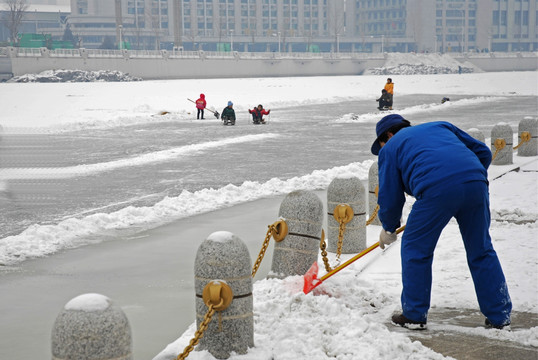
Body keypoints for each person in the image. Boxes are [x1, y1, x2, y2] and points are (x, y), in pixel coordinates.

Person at [371, 114, 512, 331]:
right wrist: (468, 177)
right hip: (475, 183)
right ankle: (499, 315)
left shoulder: (390, 148)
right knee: (481, 250)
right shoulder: (440, 125)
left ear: (388, 135)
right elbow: (483, 152)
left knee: (415, 249)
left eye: (380, 144)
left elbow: (390, 196)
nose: (382, 149)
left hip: (436, 189)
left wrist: (389, 227)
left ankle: (414, 314)